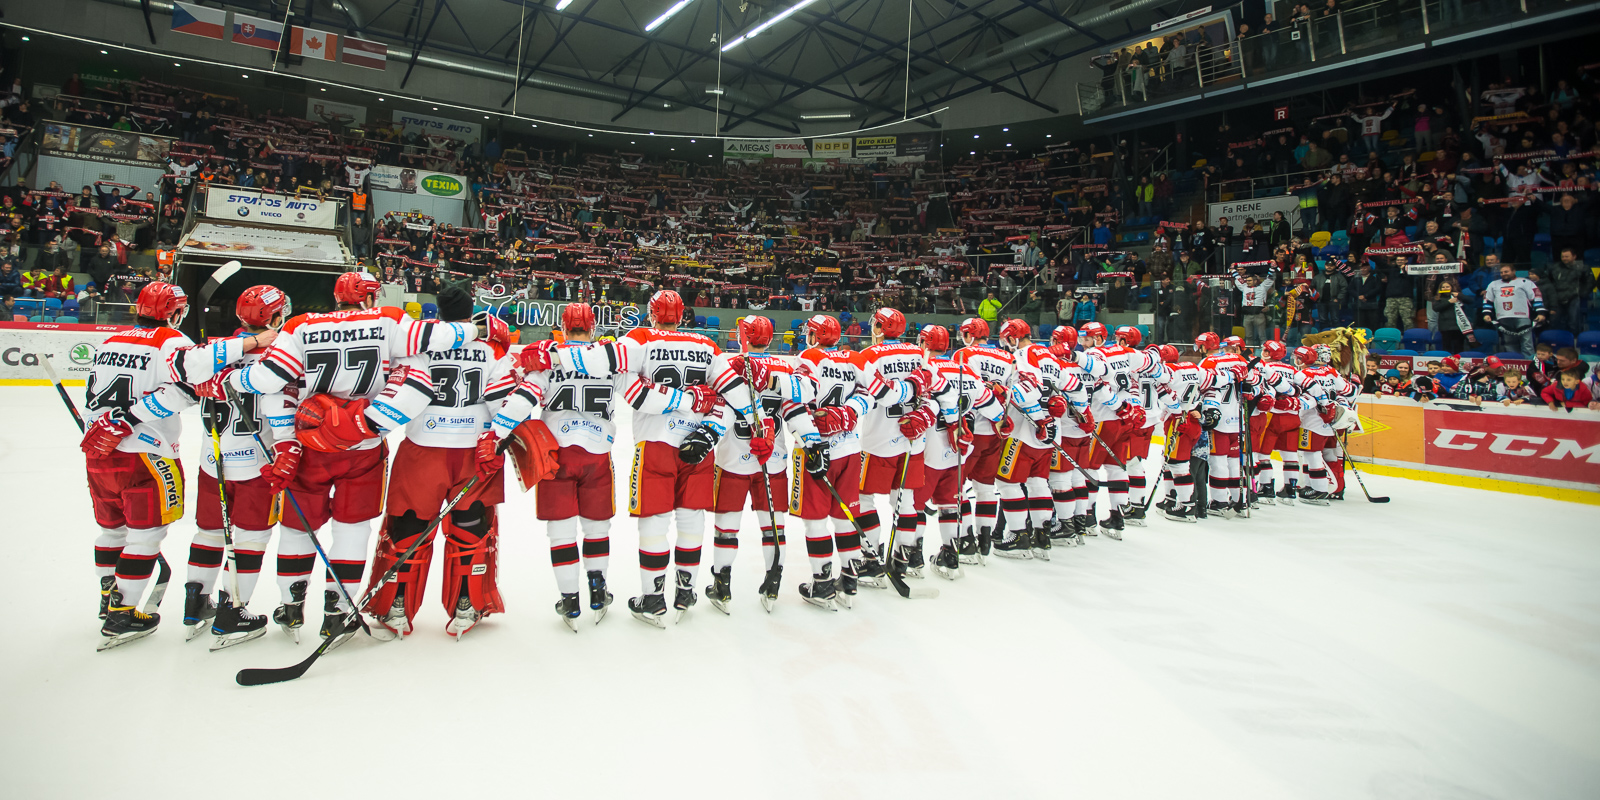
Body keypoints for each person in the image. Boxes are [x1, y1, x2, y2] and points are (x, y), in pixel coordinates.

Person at [222, 271, 481, 646]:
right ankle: (337, 611)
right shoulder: (387, 320)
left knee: (297, 528)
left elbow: (270, 382)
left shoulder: (301, 325)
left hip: (310, 448)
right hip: (363, 449)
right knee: (352, 529)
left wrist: (236, 387)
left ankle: (291, 605)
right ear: (371, 297)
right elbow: (440, 339)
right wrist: (476, 329)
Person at [529, 289, 758, 625]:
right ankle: (685, 591)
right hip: (698, 444)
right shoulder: (707, 345)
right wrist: (752, 426)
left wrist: (553, 355)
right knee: (692, 518)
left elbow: (619, 378)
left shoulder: (640, 339)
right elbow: (732, 391)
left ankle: (652, 598)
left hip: (654, 442)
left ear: (651, 314)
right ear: (682, 315)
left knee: (654, 519)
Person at [81, 282, 262, 649]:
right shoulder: (170, 341)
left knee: (112, 531)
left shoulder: (111, 340)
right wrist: (254, 341)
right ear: (176, 312)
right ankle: (122, 614)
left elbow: (94, 394)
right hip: (146, 453)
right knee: (145, 536)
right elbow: (188, 384)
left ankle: (109, 599)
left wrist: (105, 424)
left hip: (99, 451)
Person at [355, 285, 519, 640]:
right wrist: (499, 438)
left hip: (422, 450)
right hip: (474, 451)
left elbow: (397, 396)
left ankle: (396, 605)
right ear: (471, 312)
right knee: (471, 530)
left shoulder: (419, 347)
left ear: (439, 315)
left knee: (408, 529)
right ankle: (466, 603)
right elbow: (504, 402)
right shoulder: (491, 350)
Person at [181, 285, 293, 649]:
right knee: (251, 538)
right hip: (257, 465)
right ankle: (233, 612)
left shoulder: (216, 349)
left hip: (212, 461)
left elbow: (186, 372)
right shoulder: (281, 354)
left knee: (209, 533)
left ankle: (195, 603)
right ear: (274, 317)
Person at [852, 308, 933, 580]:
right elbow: (934, 393)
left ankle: (871, 558)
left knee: (863, 497)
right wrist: (925, 415)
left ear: (879, 327)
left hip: (879, 441)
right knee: (905, 499)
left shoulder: (869, 355)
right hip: (914, 441)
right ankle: (903, 559)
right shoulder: (919, 354)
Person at [952, 318, 1015, 557]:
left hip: (971, 431)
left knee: (956, 487)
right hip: (996, 431)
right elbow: (1011, 392)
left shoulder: (964, 354)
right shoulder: (1007, 357)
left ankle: (966, 539)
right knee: (986, 487)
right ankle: (985, 539)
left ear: (970, 334)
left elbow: (963, 391)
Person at [1480, 261, 1546, 360]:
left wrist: (1540, 313)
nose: (1503, 274)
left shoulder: (1525, 282)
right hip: (1503, 317)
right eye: (1501, 272)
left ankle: (1530, 365)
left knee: (1527, 344)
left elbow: (1536, 297)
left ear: (1514, 271)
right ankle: (1513, 365)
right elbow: (1487, 300)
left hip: (1522, 317)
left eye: (1506, 271)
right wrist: (1486, 313)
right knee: (1509, 344)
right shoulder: (1493, 284)